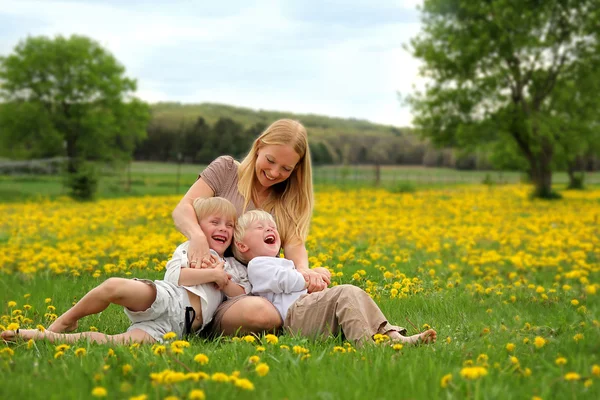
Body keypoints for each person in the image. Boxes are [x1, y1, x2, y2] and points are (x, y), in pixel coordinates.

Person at [1, 197, 247, 344]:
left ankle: (45, 337)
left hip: (176, 329)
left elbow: (239, 294)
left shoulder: (232, 265)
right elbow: (175, 276)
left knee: (115, 343)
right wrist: (212, 275)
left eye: (230, 225)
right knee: (113, 286)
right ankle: (67, 320)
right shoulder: (191, 248)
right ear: (199, 227)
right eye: (215, 222)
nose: (223, 229)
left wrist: (223, 279)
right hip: (167, 298)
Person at [171, 119, 331, 336]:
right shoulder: (226, 170)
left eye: (286, 168)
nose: (274, 173)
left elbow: (295, 246)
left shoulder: (290, 199)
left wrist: (305, 272)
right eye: (270, 160)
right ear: (258, 147)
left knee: (265, 311)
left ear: (296, 169)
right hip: (208, 284)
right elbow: (183, 209)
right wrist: (197, 237)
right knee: (261, 314)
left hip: (250, 294)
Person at [233, 210, 438, 346]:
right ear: (243, 246)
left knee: (354, 294)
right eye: (260, 227)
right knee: (345, 293)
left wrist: (313, 277)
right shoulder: (257, 265)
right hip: (294, 317)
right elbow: (284, 281)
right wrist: (308, 276)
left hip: (304, 309)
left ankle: (393, 336)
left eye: (272, 226)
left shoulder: (281, 262)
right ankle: (367, 346)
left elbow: (293, 281)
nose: (269, 229)